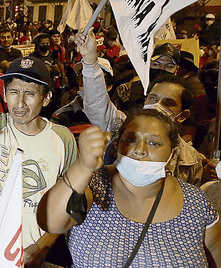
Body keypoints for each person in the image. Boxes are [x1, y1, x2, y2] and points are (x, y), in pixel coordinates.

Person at [0, 35, 77, 266]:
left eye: (29, 94)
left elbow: (69, 201)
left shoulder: (62, 138)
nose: (19, 103)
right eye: (13, 92)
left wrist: (41, 248)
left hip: (33, 254)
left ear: (46, 98)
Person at [37, 109, 221, 267]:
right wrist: (83, 166)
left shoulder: (196, 203)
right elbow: (51, 221)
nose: (140, 149)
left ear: (172, 156)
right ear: (117, 146)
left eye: (154, 143)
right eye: (131, 140)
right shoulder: (93, 184)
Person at [74, 28, 204, 185]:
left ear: (182, 115)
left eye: (168, 102)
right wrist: (89, 60)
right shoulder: (121, 127)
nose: (157, 106)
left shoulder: (191, 161)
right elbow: (98, 104)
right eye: (153, 98)